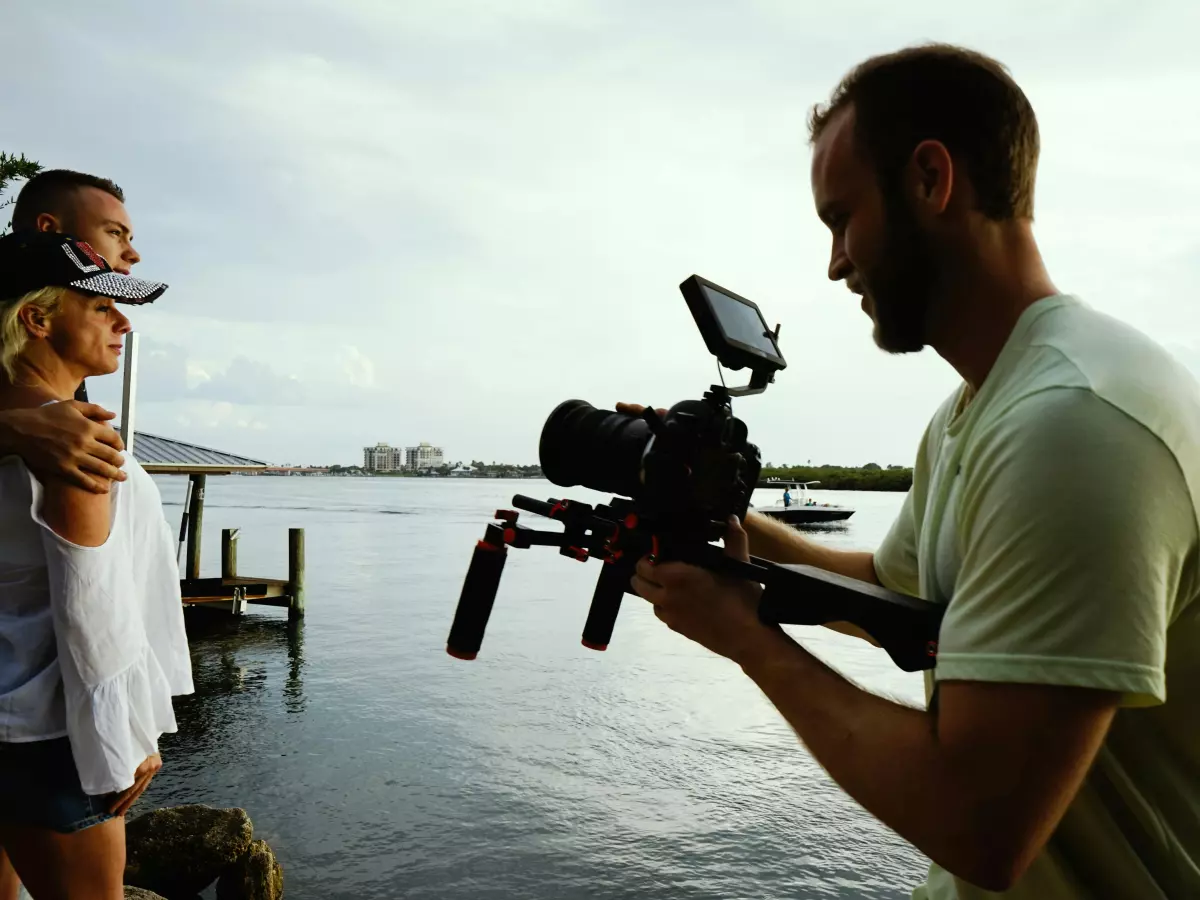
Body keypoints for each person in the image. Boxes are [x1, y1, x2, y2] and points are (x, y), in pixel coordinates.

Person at [624, 43, 1199, 899]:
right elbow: (890, 593)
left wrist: (747, 638)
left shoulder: (1076, 426)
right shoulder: (983, 408)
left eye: (841, 218)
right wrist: (721, 526)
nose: (835, 262)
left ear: (931, 180)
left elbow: (979, 822)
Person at [0, 231, 193, 900]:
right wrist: (124, 738)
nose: (124, 322)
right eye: (100, 305)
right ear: (38, 318)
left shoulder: (23, 424)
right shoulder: (73, 439)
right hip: (53, 734)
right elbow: (92, 608)